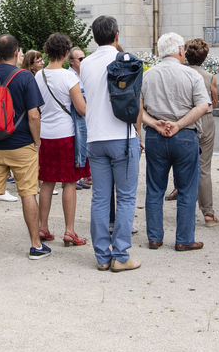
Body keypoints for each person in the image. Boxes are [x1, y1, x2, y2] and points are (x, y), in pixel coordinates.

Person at [0, 34, 49, 260]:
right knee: (27, 194)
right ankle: (35, 245)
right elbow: (33, 116)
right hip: (22, 144)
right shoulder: (25, 77)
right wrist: (37, 142)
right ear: (16, 53)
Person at [81, 16, 142, 271]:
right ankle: (121, 255)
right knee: (126, 198)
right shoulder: (125, 61)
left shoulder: (85, 64)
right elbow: (136, 101)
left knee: (100, 198)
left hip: (95, 138)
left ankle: (102, 256)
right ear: (117, 35)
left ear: (94, 38)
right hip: (122, 136)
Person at [141, 33, 209, 252]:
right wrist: (179, 124)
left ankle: (154, 237)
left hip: (155, 135)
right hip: (185, 135)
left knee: (154, 188)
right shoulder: (191, 75)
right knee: (187, 188)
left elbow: (137, 107)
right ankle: (184, 238)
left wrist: (154, 123)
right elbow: (202, 106)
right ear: (180, 50)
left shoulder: (148, 75)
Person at [35, 32, 88, 246]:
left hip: (45, 135)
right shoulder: (69, 77)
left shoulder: (39, 76)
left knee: (47, 182)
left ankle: (43, 226)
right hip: (66, 135)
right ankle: (69, 231)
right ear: (66, 53)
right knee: (69, 183)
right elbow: (81, 109)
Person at [184, 38, 219, 225]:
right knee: (204, 167)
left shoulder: (181, 73)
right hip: (205, 119)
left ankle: (186, 209)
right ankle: (208, 212)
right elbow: (214, 102)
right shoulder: (210, 77)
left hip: (184, 118)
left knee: (183, 164)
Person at [68, 46, 90, 189]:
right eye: (80, 59)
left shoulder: (84, 74)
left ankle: (81, 175)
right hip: (77, 113)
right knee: (78, 142)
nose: (83, 61)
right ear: (71, 61)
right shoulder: (70, 76)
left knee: (84, 144)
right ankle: (75, 177)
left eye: (84, 58)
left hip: (86, 112)